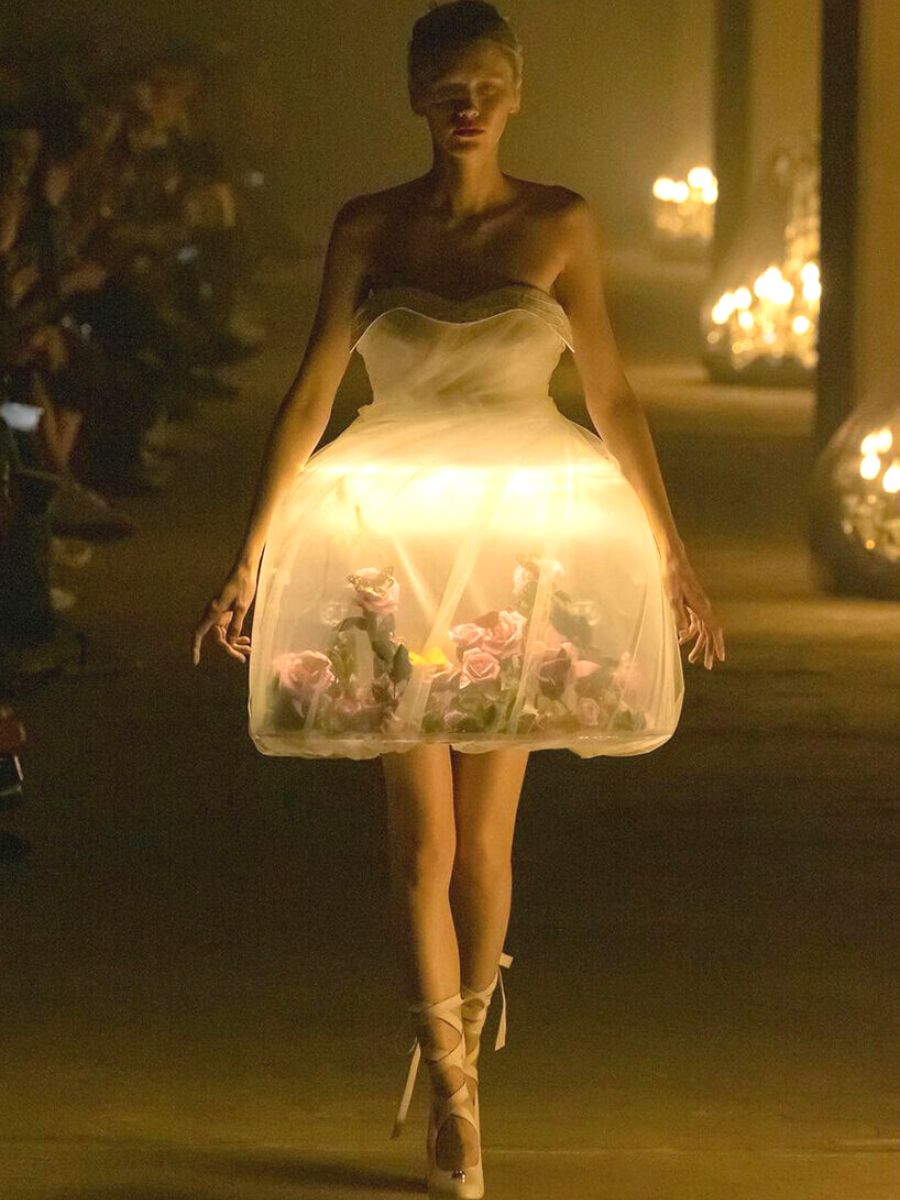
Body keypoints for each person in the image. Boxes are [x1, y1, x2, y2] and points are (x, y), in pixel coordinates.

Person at [191, 3, 725, 1196]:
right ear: (416, 97)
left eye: (487, 83)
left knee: (485, 842)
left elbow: (616, 398)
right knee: (421, 838)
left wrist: (676, 558)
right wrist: (250, 556)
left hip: (526, 537)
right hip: (389, 533)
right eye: (446, 83)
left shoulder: (560, 223)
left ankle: (467, 1065)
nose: (467, 102)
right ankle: (450, 1093)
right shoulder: (369, 226)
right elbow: (312, 390)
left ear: (517, 94)